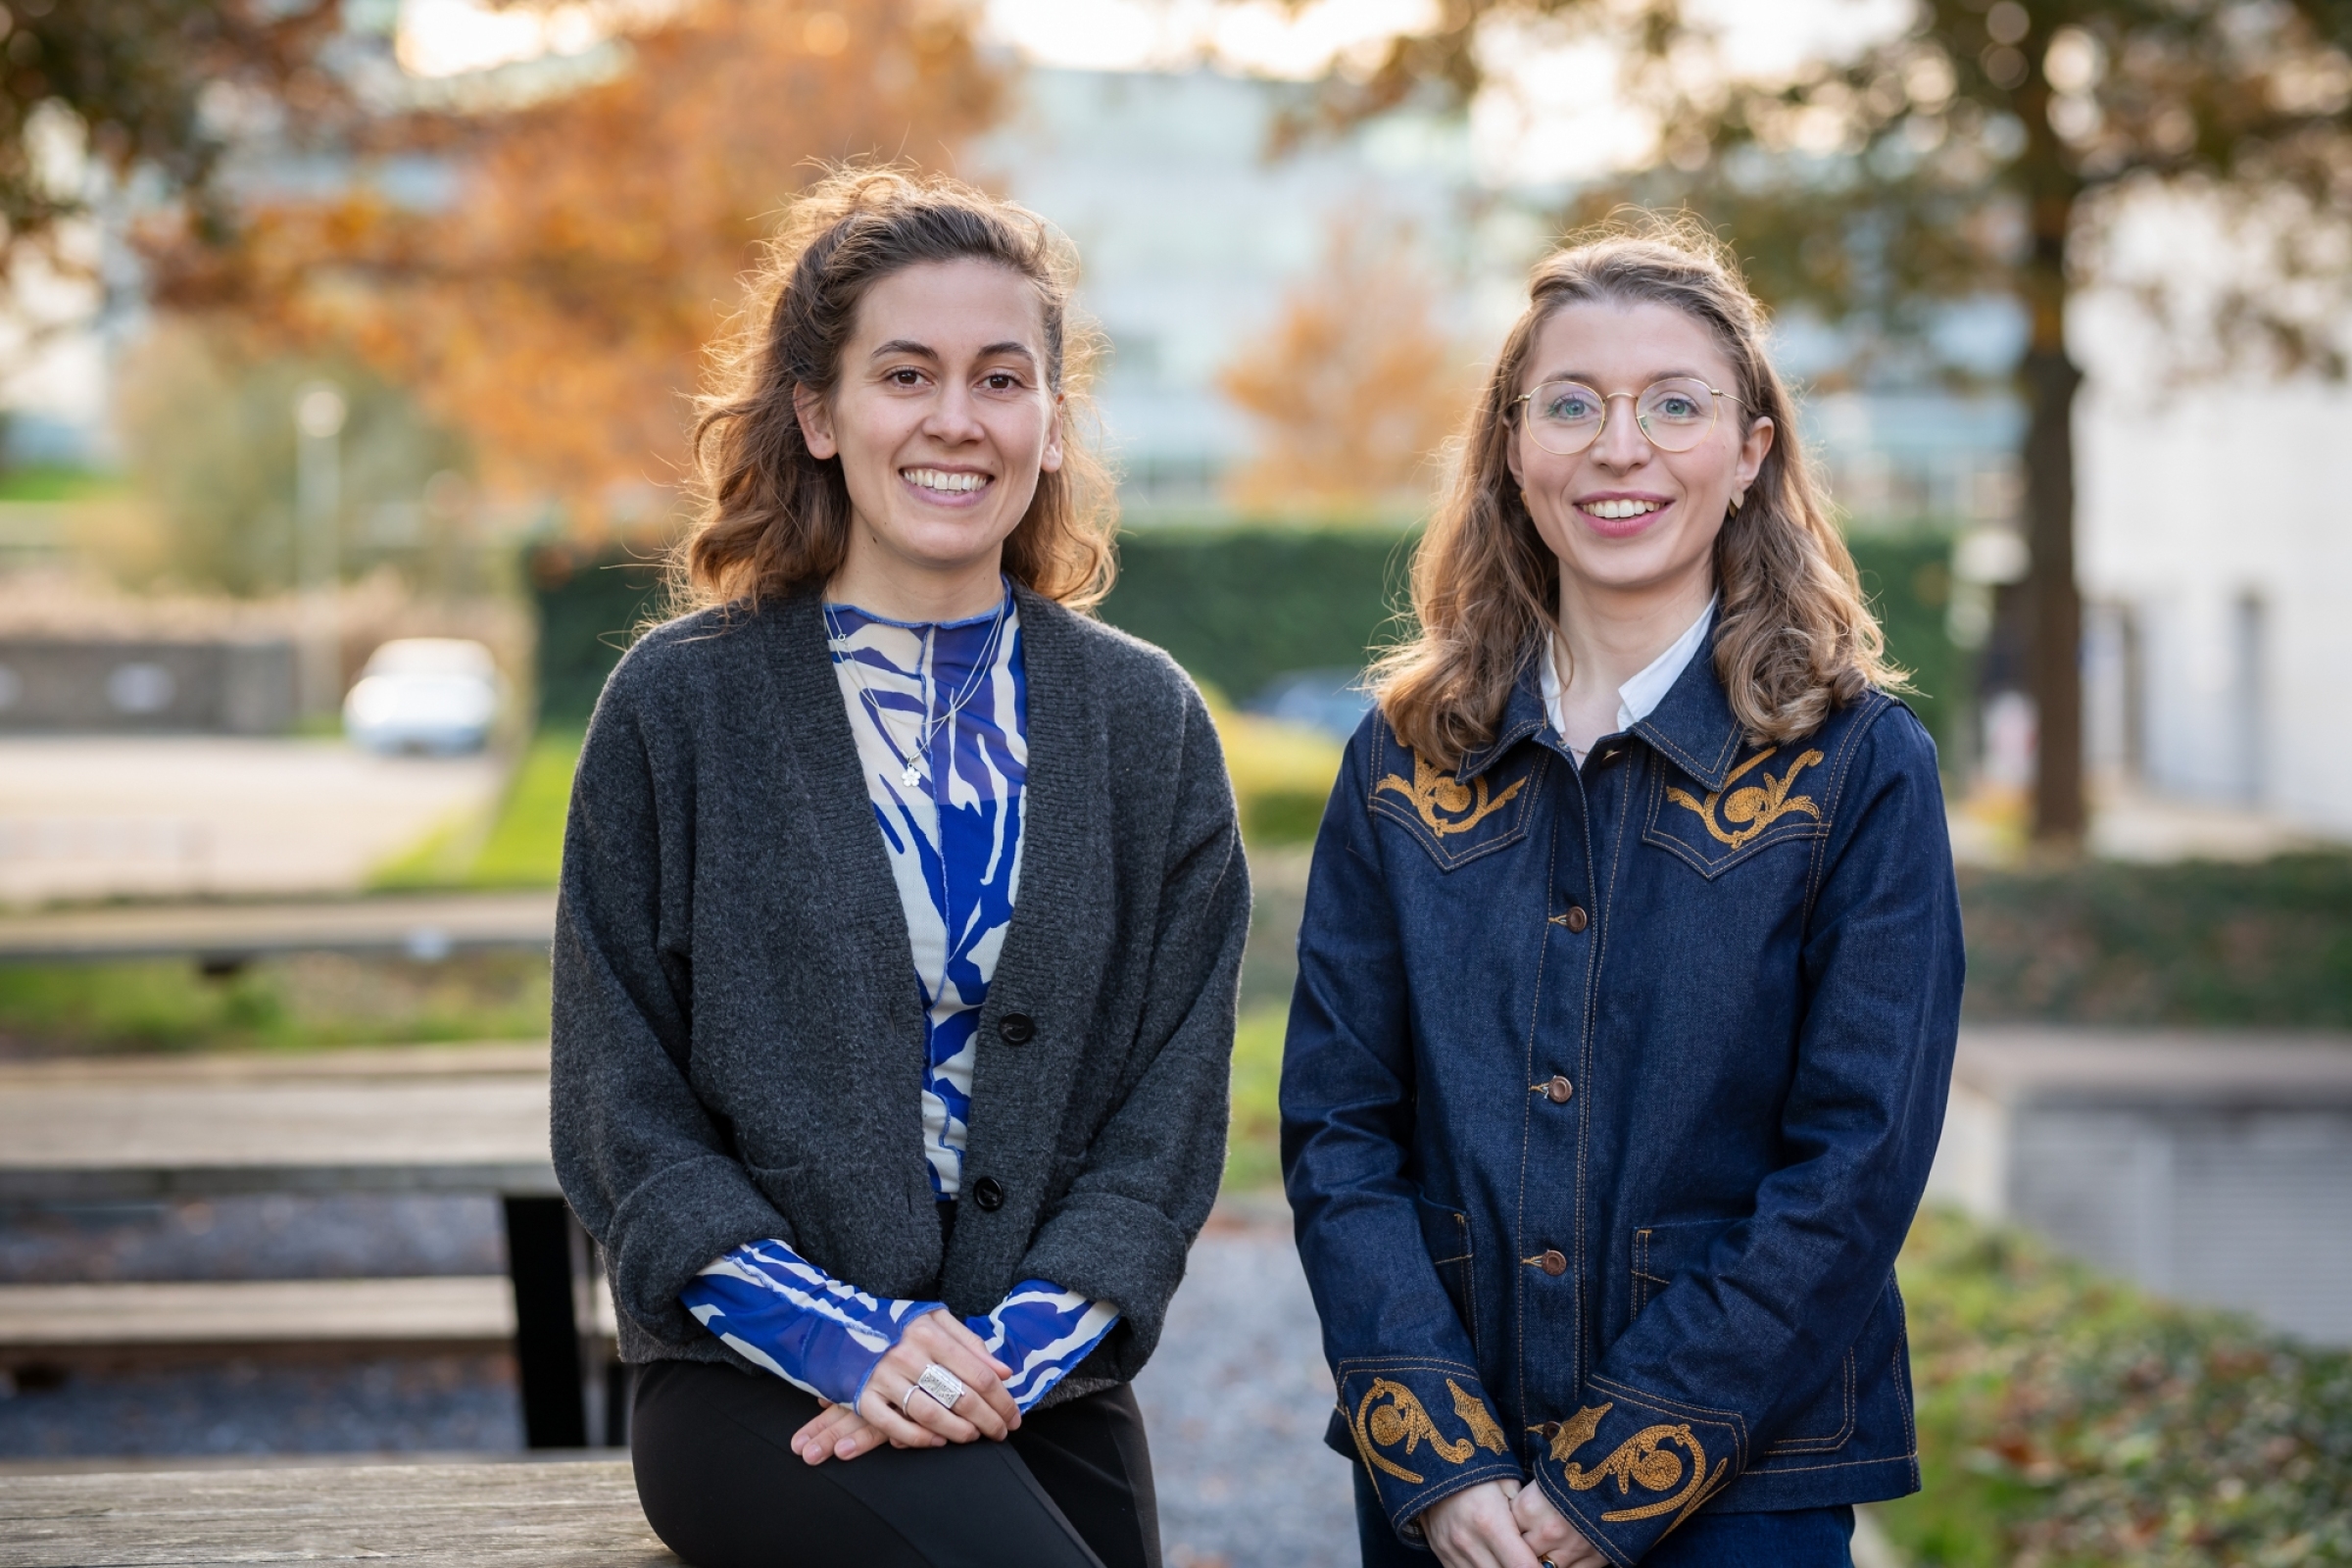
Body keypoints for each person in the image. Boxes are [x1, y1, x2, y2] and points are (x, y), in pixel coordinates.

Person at [551, 169, 1249, 1568]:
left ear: (1050, 424)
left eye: (1002, 379)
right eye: (905, 373)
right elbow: (620, 1107)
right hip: (752, 1380)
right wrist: (847, 1341)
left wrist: (992, 1361)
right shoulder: (679, 709)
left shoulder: (1144, 722)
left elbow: (1167, 1117)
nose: (956, 419)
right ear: (819, 413)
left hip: (1039, 1374)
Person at [1281, 221, 1963, 1568]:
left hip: (1746, 1488)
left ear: (1752, 448)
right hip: (1449, 1489)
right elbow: (1337, 1133)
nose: (1620, 446)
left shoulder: (1859, 766)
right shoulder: (1404, 759)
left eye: (1675, 404)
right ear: (1513, 444)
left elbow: (1856, 1162)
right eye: (1573, 404)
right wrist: (1441, 1452)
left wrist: (1617, 1475)